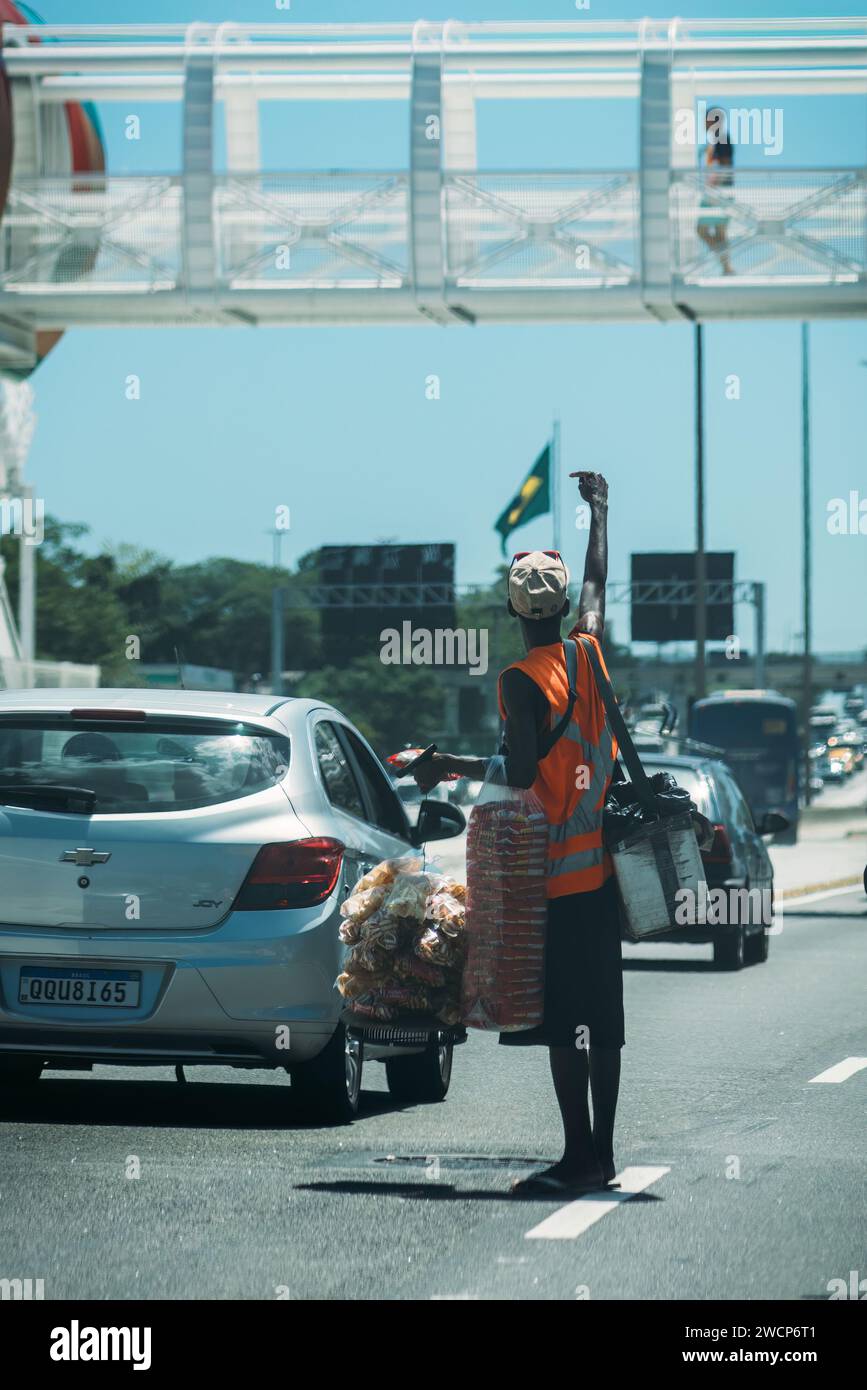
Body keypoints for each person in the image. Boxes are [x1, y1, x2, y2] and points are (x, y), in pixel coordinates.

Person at [413, 472, 623, 1196]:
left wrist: (448, 765)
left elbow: (522, 765)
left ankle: (576, 1159)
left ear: (511, 608)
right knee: (604, 1020)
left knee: (566, 1025)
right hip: (607, 869)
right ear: (562, 606)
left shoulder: (518, 679)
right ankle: (604, 1151)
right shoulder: (588, 652)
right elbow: (598, 583)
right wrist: (598, 510)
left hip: (557, 878)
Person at [696, 106, 734, 276]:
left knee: (708, 230)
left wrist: (714, 184)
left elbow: (725, 165)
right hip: (716, 191)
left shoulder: (722, 139)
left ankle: (726, 266)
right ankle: (726, 266)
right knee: (716, 232)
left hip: (718, 191)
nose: (704, 123)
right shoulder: (713, 142)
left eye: (707, 119)